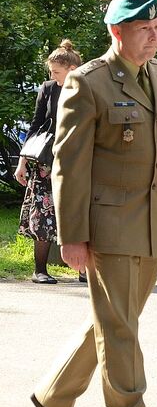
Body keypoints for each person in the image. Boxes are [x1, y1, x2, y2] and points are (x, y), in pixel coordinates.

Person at [30, 0, 157, 407]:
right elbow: (69, 165)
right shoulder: (88, 82)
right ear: (117, 33)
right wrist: (71, 235)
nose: (155, 38)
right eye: (144, 31)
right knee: (121, 329)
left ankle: (54, 395)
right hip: (108, 226)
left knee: (116, 319)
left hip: (155, 224)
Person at [14, 40, 82, 284]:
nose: (53, 76)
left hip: (80, 159)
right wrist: (22, 162)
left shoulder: (88, 87)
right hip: (47, 161)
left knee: (81, 211)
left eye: (56, 72)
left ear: (73, 69)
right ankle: (40, 269)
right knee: (43, 212)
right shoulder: (48, 89)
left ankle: (84, 269)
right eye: (51, 72)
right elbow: (35, 126)